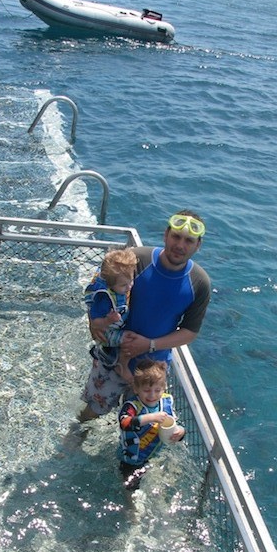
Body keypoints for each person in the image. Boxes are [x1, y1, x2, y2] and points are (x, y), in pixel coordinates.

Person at [76, 209, 211, 426]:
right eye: (176, 236)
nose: (180, 245)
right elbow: (98, 291)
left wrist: (149, 344)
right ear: (165, 235)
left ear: (198, 245)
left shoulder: (199, 282)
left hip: (151, 371)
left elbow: (189, 333)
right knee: (92, 410)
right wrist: (95, 322)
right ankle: (73, 439)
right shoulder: (136, 258)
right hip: (112, 356)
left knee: (140, 425)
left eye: (189, 240)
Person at [117, 359, 185, 490]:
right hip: (131, 460)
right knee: (131, 487)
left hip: (154, 454)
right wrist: (151, 417)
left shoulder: (166, 401)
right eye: (147, 390)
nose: (152, 395)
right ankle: (131, 508)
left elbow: (176, 424)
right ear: (136, 389)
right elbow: (125, 423)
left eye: (157, 390)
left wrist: (181, 432)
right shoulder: (132, 406)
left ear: (164, 387)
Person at [84, 247, 137, 381]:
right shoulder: (105, 300)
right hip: (106, 332)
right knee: (129, 339)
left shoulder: (123, 286)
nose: (129, 286)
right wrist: (108, 320)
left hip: (118, 325)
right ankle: (121, 365)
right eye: (123, 285)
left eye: (131, 280)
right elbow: (96, 323)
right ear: (110, 285)